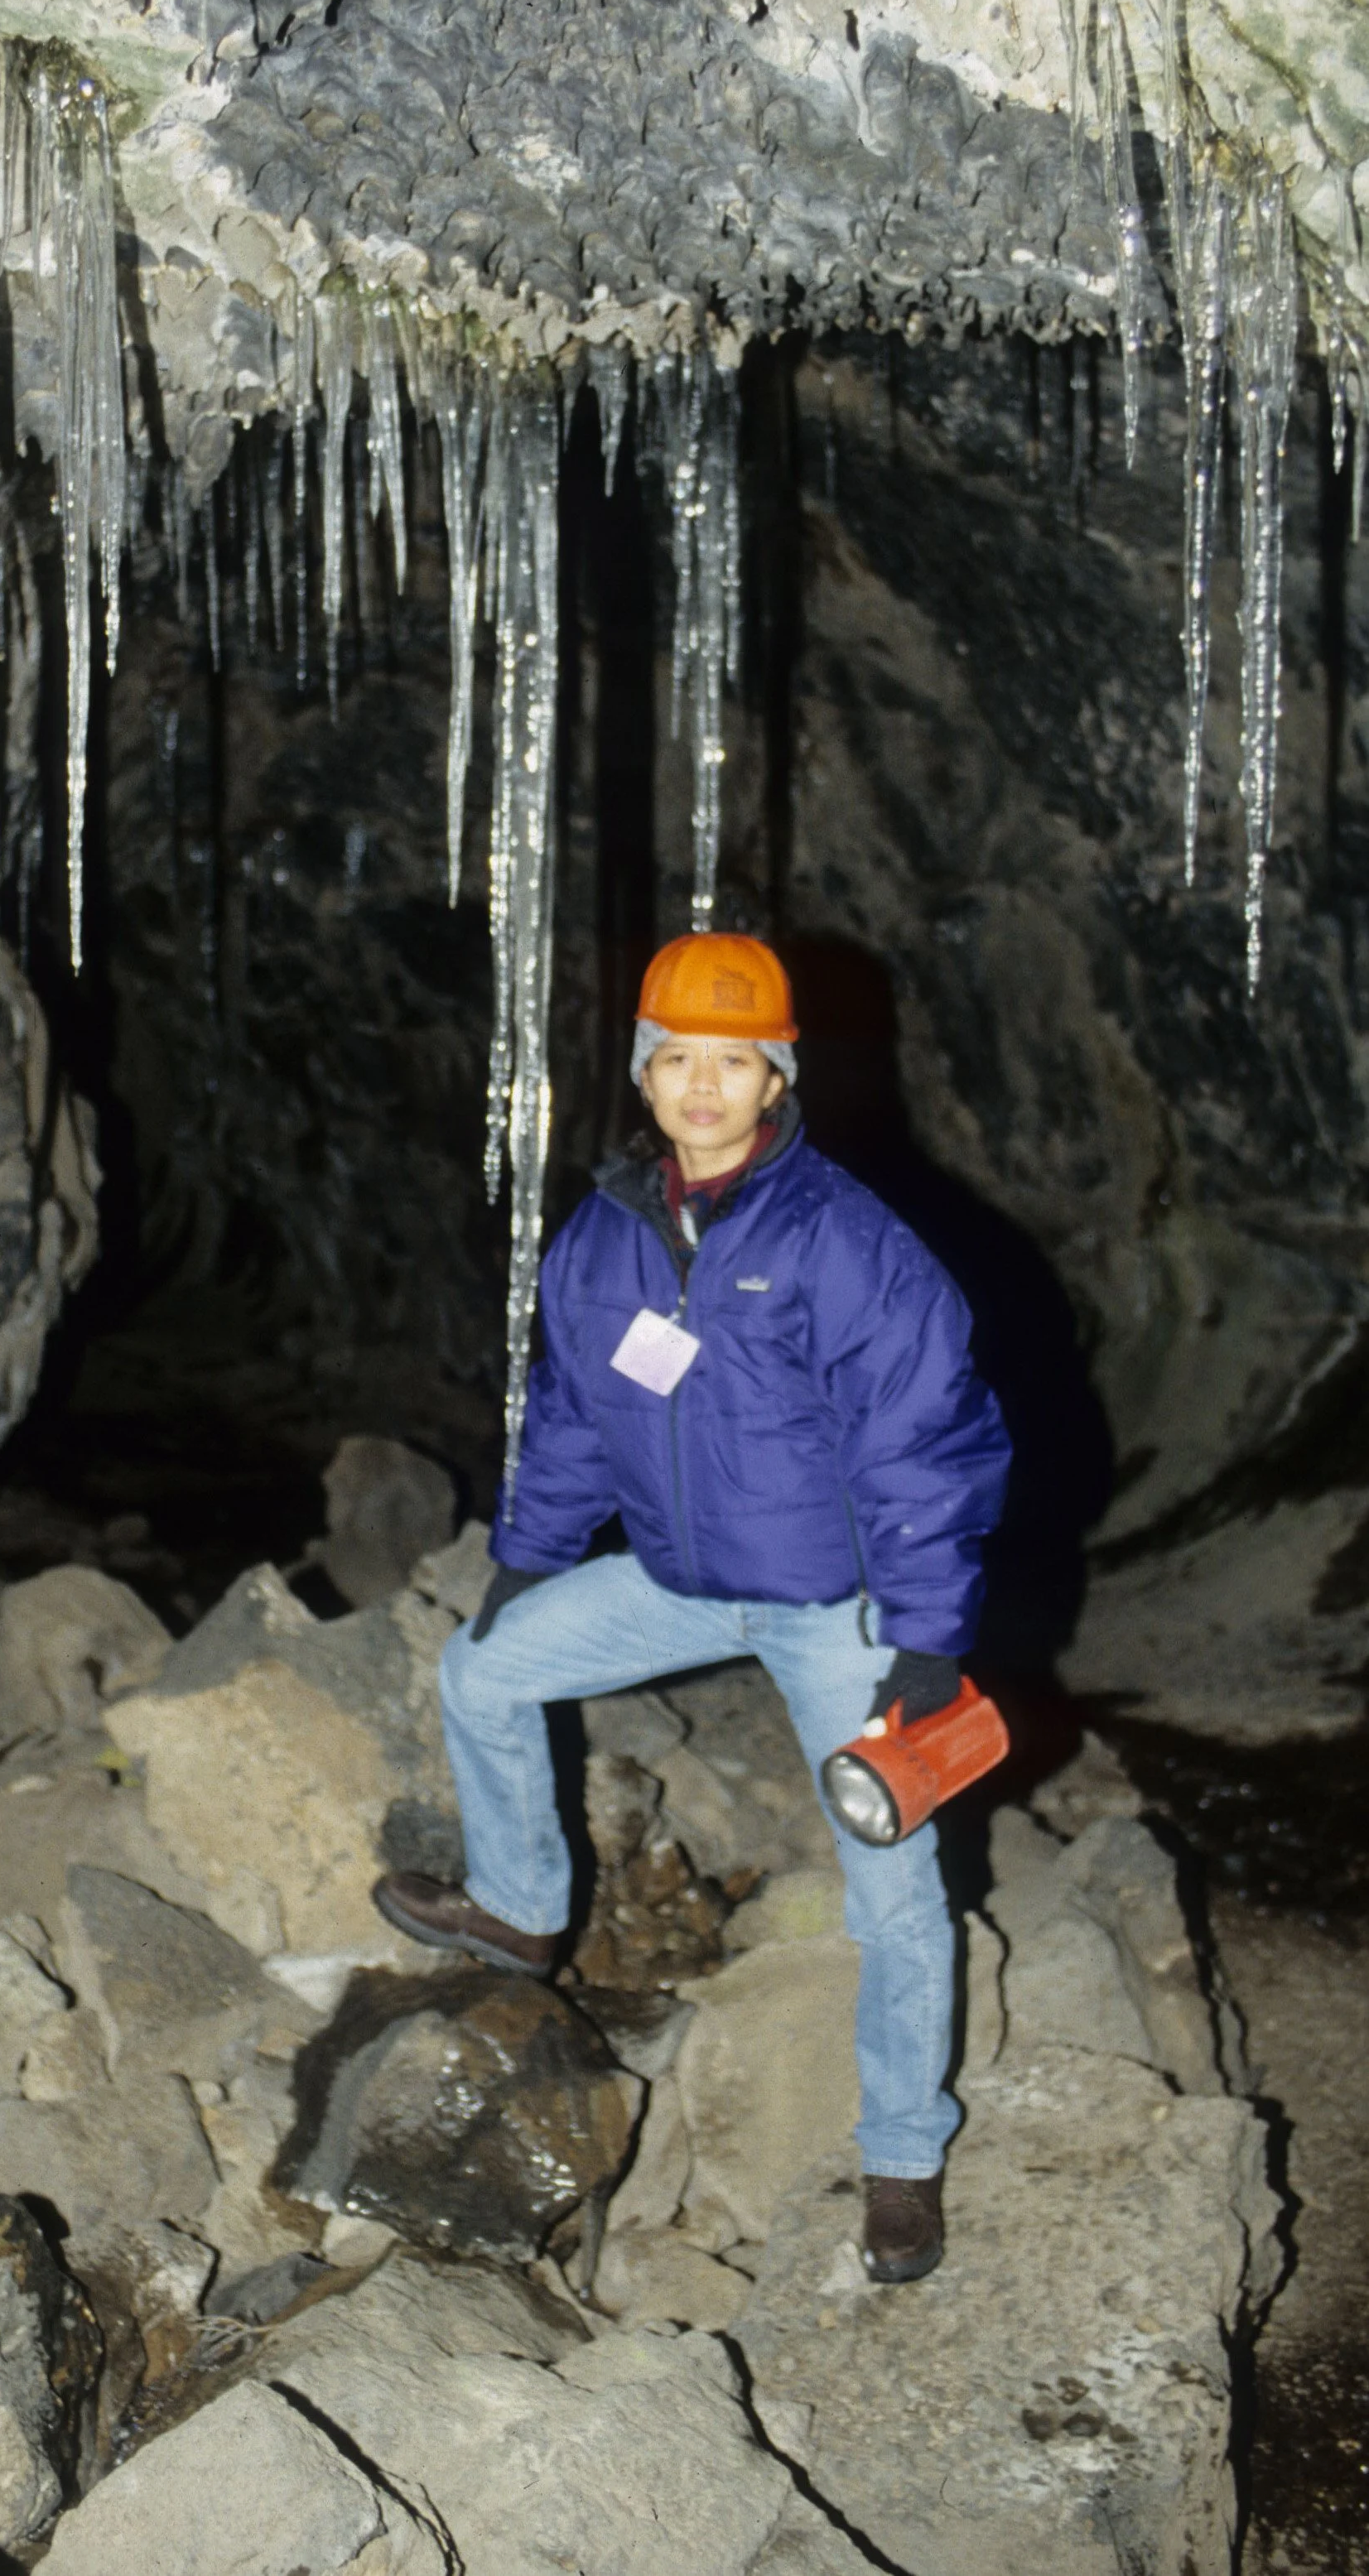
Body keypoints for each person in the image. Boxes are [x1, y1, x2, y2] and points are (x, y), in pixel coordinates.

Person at [375, 932, 1010, 2283]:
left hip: (832, 1608)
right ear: (645, 1075)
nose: (704, 1086)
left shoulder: (845, 1241)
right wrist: (530, 1555)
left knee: (893, 1894)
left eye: (734, 1060)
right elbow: (568, 1413)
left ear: (775, 1077)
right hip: (677, 1578)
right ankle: (521, 1904)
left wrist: (929, 1636)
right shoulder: (604, 1237)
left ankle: (901, 2153)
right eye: (679, 1059)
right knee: (482, 1670)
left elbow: (924, 1441)